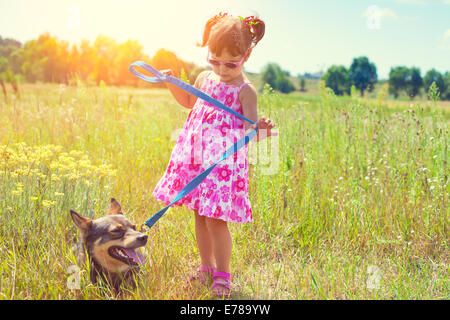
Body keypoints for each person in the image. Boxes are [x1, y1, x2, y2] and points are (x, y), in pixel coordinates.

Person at [152, 12, 277, 298]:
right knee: (199, 215)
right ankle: (205, 267)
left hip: (221, 169)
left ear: (246, 55)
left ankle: (223, 275)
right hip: (196, 159)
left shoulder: (246, 92)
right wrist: (172, 82)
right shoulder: (205, 79)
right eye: (214, 60)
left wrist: (263, 130)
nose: (221, 69)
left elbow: (251, 131)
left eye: (230, 63)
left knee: (216, 220)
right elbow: (187, 101)